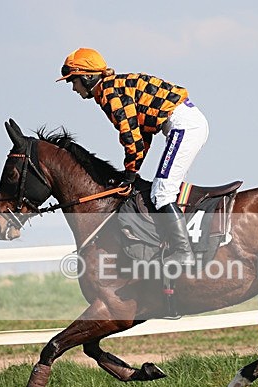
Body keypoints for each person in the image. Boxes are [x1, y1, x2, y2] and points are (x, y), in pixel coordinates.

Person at [57, 48, 208, 266]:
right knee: (163, 189)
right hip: (184, 123)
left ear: (88, 77)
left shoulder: (110, 93)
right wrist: (132, 171)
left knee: (162, 193)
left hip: (183, 125)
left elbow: (131, 137)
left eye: (73, 80)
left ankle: (183, 251)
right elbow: (142, 135)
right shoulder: (111, 88)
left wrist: (129, 172)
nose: (73, 88)